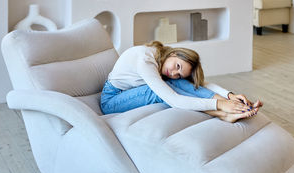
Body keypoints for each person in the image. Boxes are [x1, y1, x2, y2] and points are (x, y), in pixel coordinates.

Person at [100, 41, 262, 122]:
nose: (174, 72)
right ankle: (223, 114)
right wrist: (219, 106)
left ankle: (238, 107)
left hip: (130, 92)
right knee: (159, 91)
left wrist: (229, 96)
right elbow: (174, 100)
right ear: (174, 54)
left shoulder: (162, 58)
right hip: (112, 100)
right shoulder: (146, 60)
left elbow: (200, 85)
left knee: (176, 84)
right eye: (177, 66)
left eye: (179, 73)